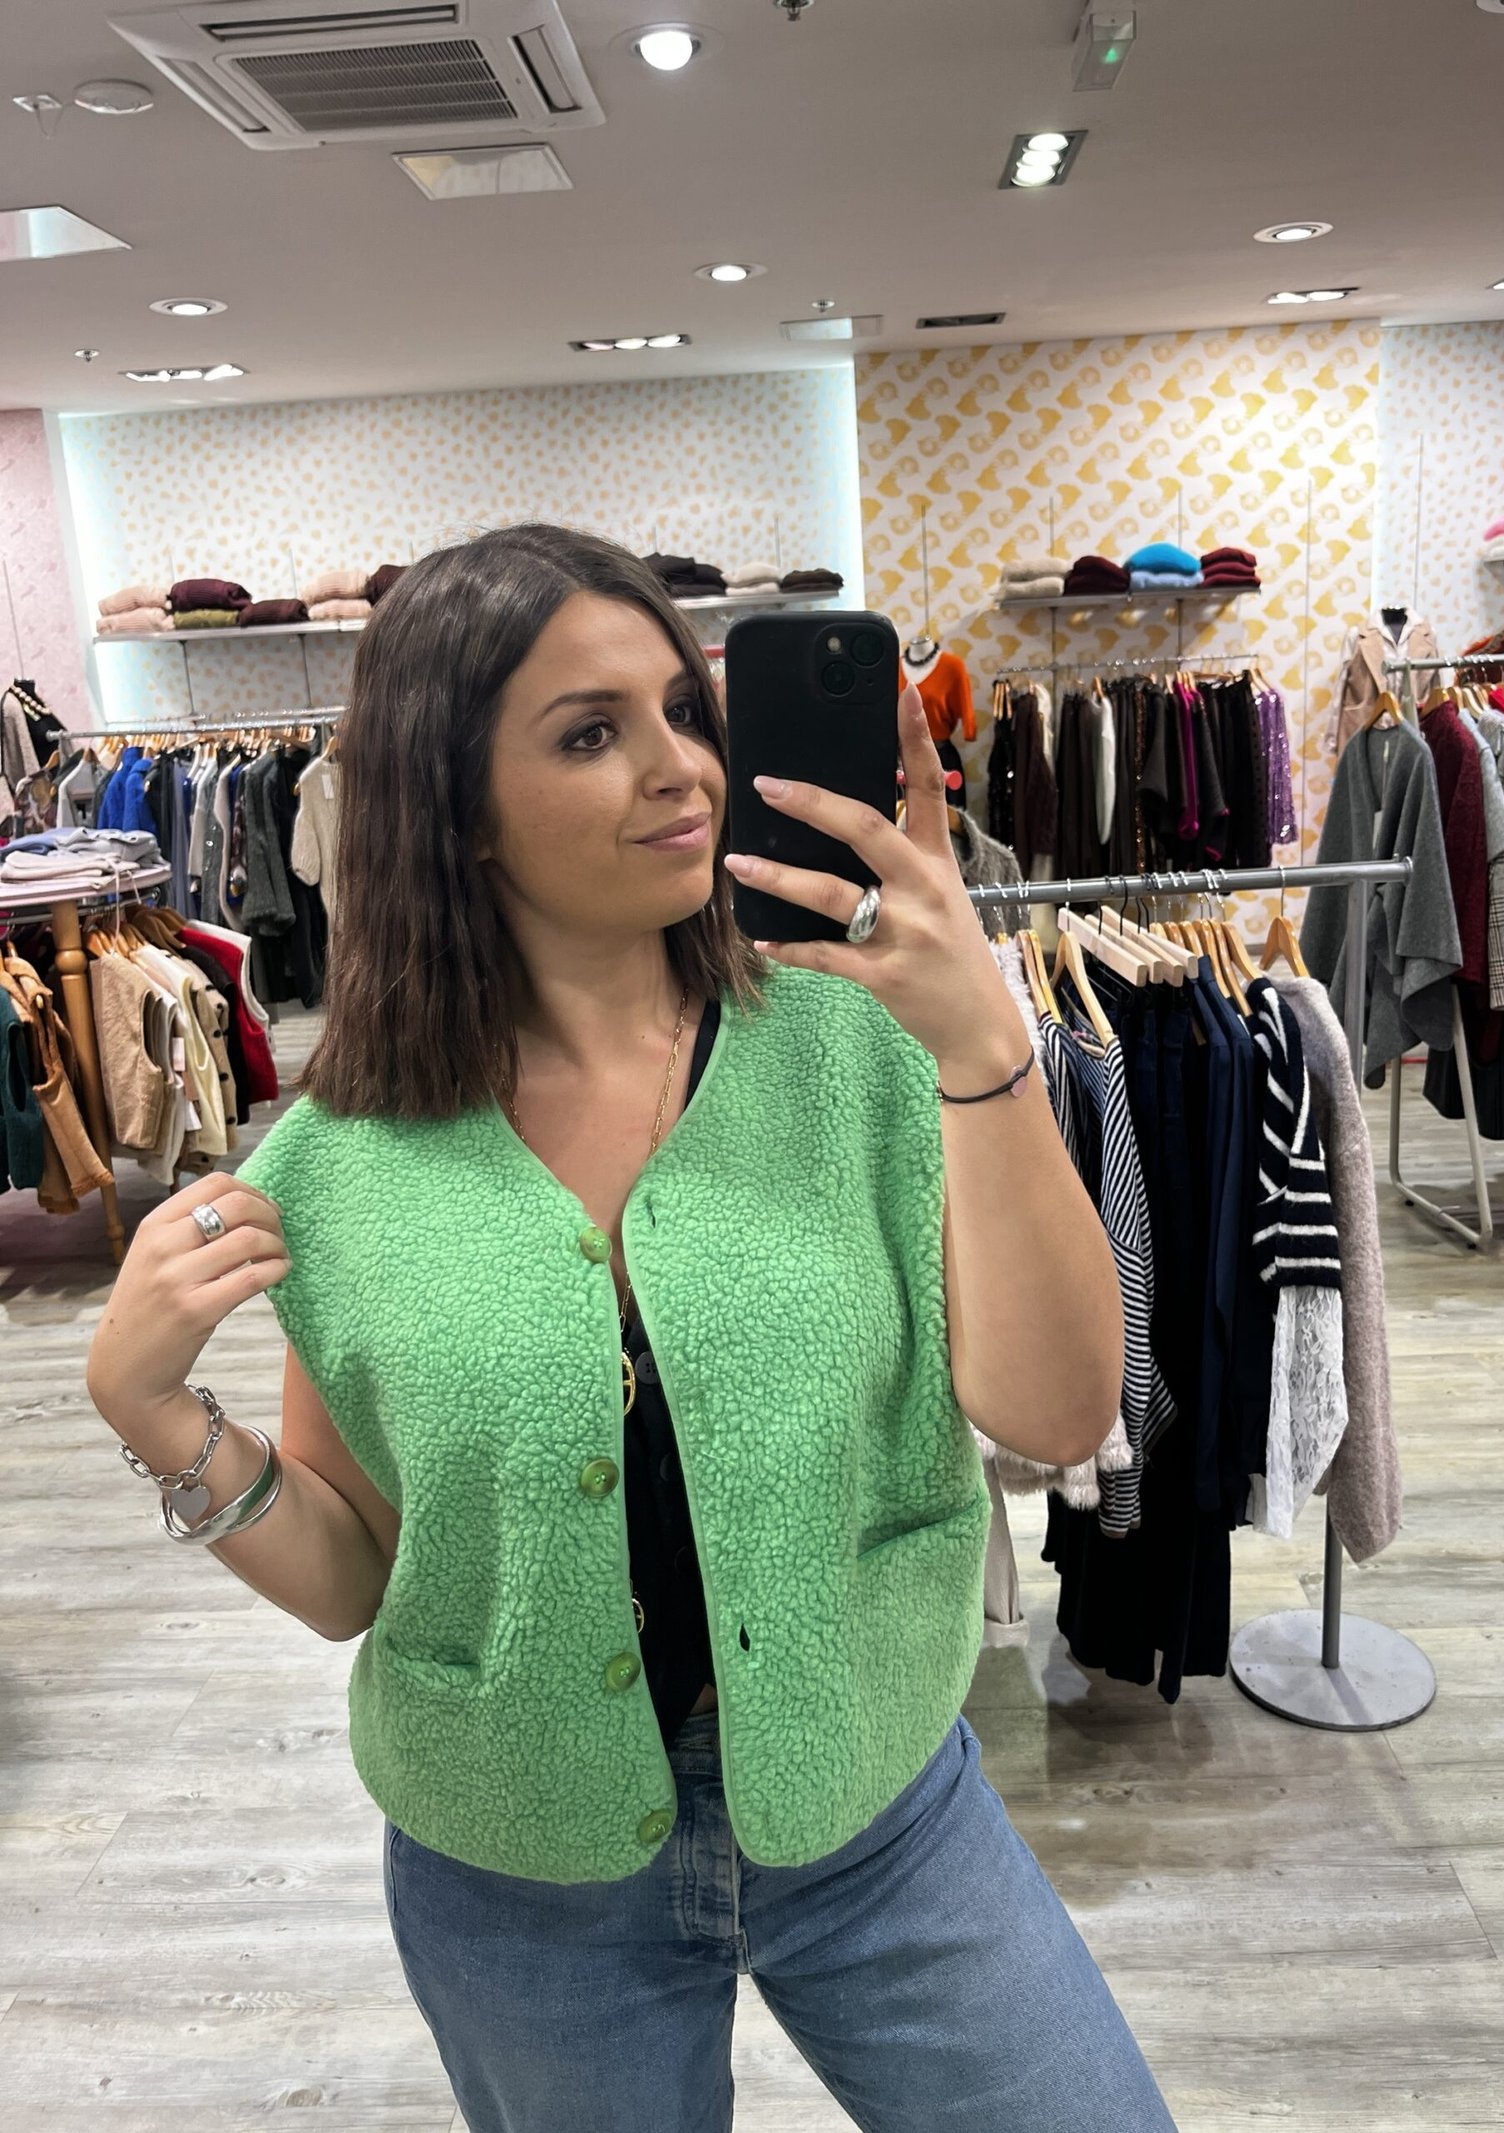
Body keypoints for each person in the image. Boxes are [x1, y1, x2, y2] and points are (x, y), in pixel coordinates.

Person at [85, 523, 1175, 2131]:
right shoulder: (342, 1164)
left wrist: (982, 1042)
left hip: (877, 1802)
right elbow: (357, 1571)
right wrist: (157, 1414)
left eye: (683, 711)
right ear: (455, 807)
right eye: (592, 733)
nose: (680, 768)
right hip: (521, 1870)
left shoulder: (864, 1041)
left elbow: (1064, 1410)